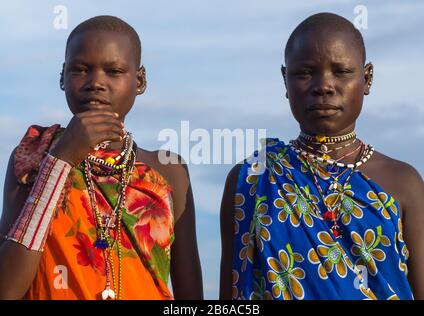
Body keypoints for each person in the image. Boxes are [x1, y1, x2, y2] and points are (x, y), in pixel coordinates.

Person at [220, 12, 424, 300]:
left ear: (367, 79)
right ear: (285, 80)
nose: (324, 86)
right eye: (304, 73)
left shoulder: (404, 183)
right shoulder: (253, 177)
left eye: (341, 71)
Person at [0, 15, 203, 300]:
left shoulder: (168, 169)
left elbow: (190, 295)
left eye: (114, 71)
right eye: (80, 70)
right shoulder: (33, 156)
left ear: (140, 80)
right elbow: (6, 288)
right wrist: (61, 160)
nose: (95, 82)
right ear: (62, 77)